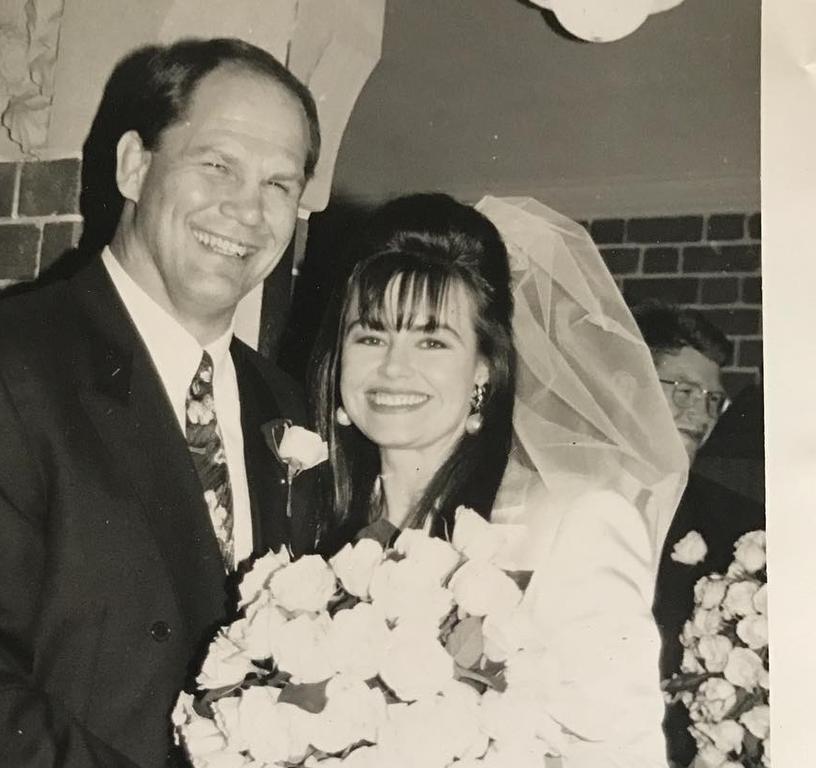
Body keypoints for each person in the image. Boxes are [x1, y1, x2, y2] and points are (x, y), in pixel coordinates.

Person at [0, 38, 321, 768]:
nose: (246, 211)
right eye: (217, 165)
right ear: (134, 166)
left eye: (279, 185)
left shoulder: (285, 408)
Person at [310, 193, 688, 766]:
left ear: (484, 371)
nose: (392, 367)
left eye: (432, 340)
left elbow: (622, 753)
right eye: (371, 335)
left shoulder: (576, 521)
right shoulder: (312, 519)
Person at [633, 300, 766, 767]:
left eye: (713, 399)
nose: (702, 413)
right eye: (683, 391)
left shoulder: (733, 524)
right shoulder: (571, 498)